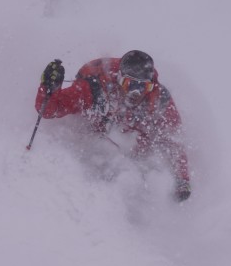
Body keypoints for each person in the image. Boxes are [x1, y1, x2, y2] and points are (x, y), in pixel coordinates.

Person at [35, 50, 191, 201]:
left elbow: (173, 139)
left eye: (143, 86)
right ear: (119, 78)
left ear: (151, 85)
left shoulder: (158, 99)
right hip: (97, 136)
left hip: (134, 143)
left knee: (149, 148)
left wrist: (182, 179)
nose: (135, 93)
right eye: (130, 84)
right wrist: (49, 87)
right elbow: (48, 109)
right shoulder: (94, 88)